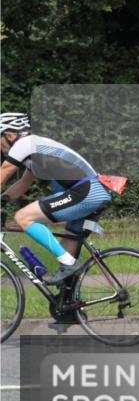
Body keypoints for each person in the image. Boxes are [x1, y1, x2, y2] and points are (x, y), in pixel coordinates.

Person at [0, 112, 112, 286]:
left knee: (23, 217)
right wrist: (3, 199)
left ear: (10, 135)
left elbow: (4, 173)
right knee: (68, 244)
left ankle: (69, 264)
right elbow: (22, 184)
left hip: (86, 192)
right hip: (94, 192)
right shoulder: (35, 150)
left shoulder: (24, 144)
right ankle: (70, 300)